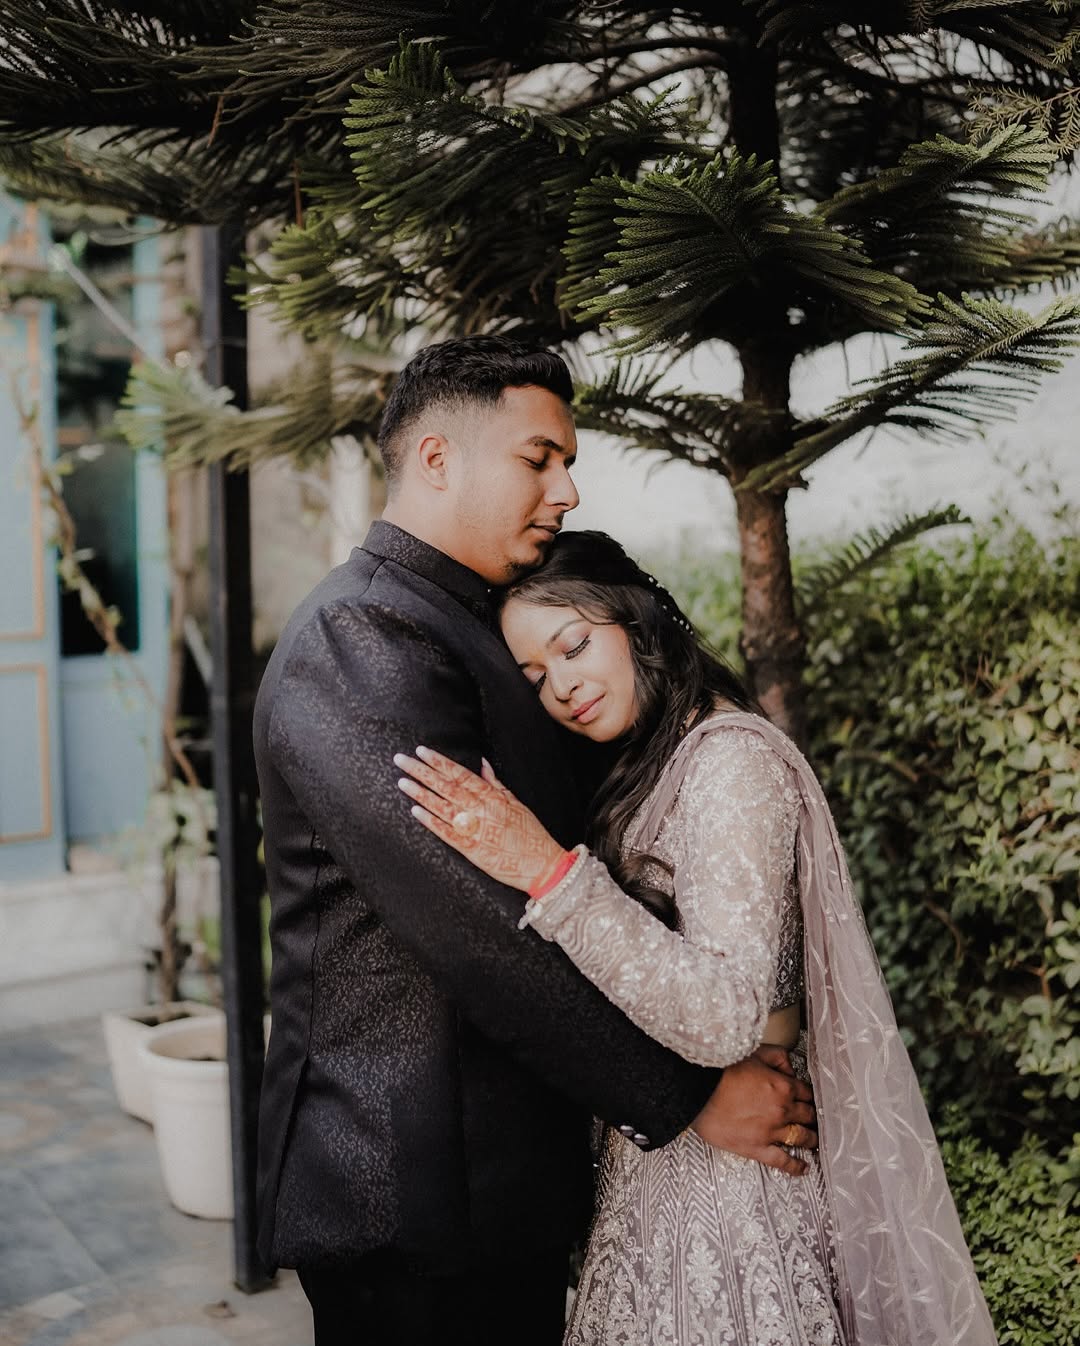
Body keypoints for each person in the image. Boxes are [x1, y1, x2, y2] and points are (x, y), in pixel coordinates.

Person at [253, 337, 818, 1346]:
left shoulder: (465, 620)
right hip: (413, 1191)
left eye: (568, 460)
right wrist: (689, 1095)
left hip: (489, 1186)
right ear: (436, 459)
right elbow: (478, 927)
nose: (566, 485)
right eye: (538, 456)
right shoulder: (362, 640)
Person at [395, 529, 999, 1346]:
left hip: (733, 1199)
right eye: (536, 677)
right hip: (657, 1171)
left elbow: (727, 1017)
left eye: (573, 645)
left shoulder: (732, 765)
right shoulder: (646, 766)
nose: (563, 687)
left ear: (637, 621)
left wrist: (549, 872)